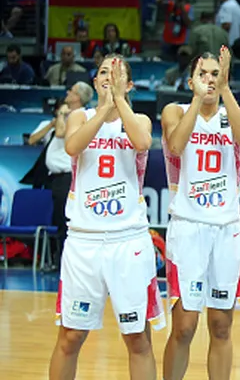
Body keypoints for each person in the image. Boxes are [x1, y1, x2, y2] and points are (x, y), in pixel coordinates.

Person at [49, 55, 164, 380]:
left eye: (116, 74)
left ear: (128, 84)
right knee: (70, 336)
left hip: (128, 242)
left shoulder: (138, 119)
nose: (107, 77)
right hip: (84, 241)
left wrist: (118, 101)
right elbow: (72, 147)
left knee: (137, 338)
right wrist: (103, 109)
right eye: (102, 72)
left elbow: (142, 142)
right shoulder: (79, 116)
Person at [161, 47, 240, 380]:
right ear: (190, 81)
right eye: (204, 74)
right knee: (184, 326)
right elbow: (175, 145)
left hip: (227, 227)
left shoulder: (234, 112)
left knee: (221, 325)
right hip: (188, 226)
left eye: (216, 73)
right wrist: (199, 100)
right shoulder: (176, 110)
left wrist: (225, 89)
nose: (210, 80)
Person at [28, 82, 92, 247]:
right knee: (53, 218)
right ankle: (53, 256)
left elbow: (61, 133)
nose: (68, 92)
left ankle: (62, 261)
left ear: (78, 97)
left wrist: (62, 116)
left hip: (67, 177)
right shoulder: (61, 117)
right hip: (51, 178)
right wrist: (57, 118)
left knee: (65, 220)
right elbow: (32, 140)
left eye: (72, 91)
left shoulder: (82, 117)